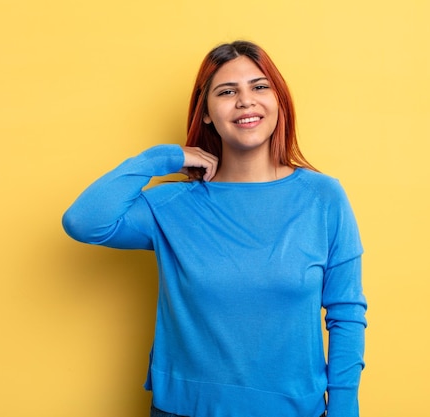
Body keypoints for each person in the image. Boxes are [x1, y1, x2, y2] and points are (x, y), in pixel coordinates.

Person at [62, 40, 367, 417]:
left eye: (259, 87)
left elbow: (346, 313)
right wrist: (163, 157)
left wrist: (343, 409)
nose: (245, 101)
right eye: (227, 92)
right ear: (206, 112)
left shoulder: (323, 197)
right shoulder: (172, 206)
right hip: (183, 410)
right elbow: (84, 221)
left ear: (279, 101)